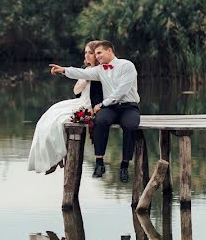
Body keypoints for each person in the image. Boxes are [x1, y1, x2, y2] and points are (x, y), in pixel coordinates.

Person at [49, 40, 140, 183]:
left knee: (130, 126)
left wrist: (102, 104)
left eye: (99, 53)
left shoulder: (127, 66)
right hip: (110, 108)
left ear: (109, 51)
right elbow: (81, 72)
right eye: (95, 53)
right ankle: (99, 163)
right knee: (99, 121)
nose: (97, 56)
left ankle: (124, 166)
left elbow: (121, 91)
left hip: (128, 106)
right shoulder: (99, 70)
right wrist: (64, 70)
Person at [27, 41, 104, 174]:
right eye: (85, 52)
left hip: (91, 106)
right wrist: (85, 79)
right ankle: (53, 158)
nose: (87, 55)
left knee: (59, 120)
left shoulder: (102, 71)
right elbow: (76, 91)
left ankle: (57, 157)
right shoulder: (85, 71)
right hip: (80, 101)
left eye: (90, 53)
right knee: (49, 116)